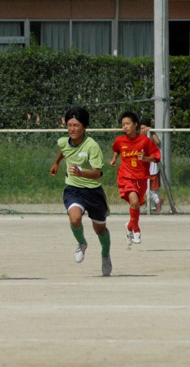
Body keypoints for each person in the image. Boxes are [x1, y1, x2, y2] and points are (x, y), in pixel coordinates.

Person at [49, 107, 112, 277]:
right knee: (75, 218)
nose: (72, 129)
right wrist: (56, 163)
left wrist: (81, 173)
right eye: (69, 125)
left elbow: (98, 173)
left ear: (84, 127)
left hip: (93, 192)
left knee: (100, 230)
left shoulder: (92, 146)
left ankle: (105, 255)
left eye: (76, 125)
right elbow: (64, 150)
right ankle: (82, 243)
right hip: (73, 189)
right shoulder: (63, 141)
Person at [110, 111, 161, 245]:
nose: (125, 127)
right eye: (123, 125)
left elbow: (156, 157)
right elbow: (116, 149)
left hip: (141, 178)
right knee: (134, 202)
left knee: (137, 204)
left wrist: (145, 158)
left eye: (127, 124)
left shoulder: (145, 141)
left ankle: (129, 226)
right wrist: (114, 159)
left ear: (135, 124)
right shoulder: (120, 140)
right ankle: (137, 229)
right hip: (125, 177)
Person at [140, 118, 163, 213]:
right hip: (143, 167)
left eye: (144, 128)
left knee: (154, 188)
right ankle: (157, 201)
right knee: (143, 186)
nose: (143, 130)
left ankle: (153, 207)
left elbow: (158, 142)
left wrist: (152, 132)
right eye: (141, 128)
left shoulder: (152, 138)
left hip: (153, 167)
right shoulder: (140, 138)